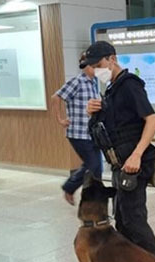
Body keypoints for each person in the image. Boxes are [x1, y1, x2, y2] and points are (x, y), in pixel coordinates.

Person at [83, 41, 155, 256]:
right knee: (122, 219)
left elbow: (152, 120)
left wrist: (137, 155)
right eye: (93, 67)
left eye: (99, 64)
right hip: (120, 164)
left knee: (133, 219)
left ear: (112, 59)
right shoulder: (111, 89)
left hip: (133, 164)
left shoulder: (129, 85)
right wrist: (93, 112)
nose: (96, 71)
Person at [51, 52, 102, 205]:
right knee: (92, 164)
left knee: (96, 168)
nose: (95, 69)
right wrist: (60, 119)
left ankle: (94, 200)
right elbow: (56, 97)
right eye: (93, 66)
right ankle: (70, 187)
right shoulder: (77, 82)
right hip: (78, 133)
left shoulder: (93, 83)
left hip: (92, 134)